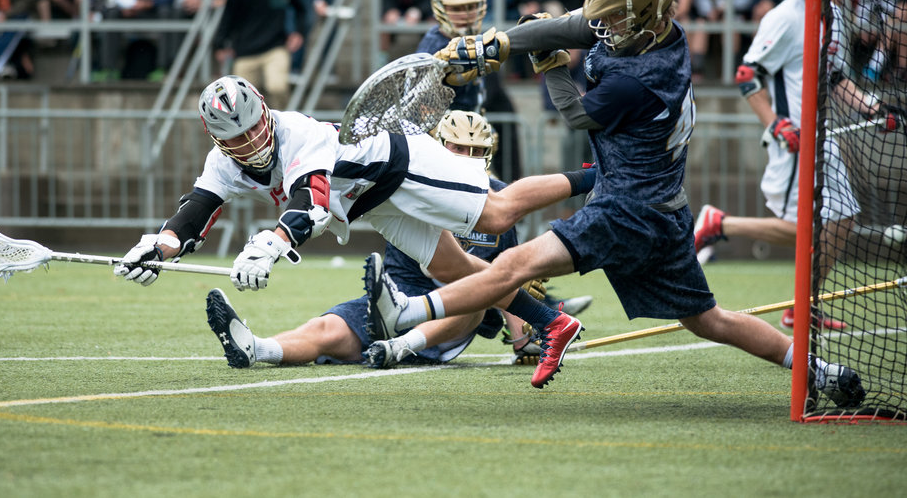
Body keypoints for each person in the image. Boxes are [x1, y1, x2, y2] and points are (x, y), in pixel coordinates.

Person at [363, 0, 869, 410]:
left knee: (512, 262)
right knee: (708, 320)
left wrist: (553, 70)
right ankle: (820, 371)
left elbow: (578, 115)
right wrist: (494, 44)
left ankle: (407, 313)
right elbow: (564, 27)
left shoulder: (643, 79)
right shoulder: (653, 28)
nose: (602, 25)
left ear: (642, 14)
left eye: (613, 17)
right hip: (665, 213)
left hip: (627, 209)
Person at [112, 75, 591, 353]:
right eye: (236, 139)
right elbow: (197, 209)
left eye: (255, 128)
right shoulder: (223, 163)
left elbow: (313, 201)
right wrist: (159, 247)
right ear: (217, 139)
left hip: (396, 164)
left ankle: (602, 176)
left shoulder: (297, 133)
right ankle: (552, 321)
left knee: (497, 212)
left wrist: (270, 245)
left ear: (264, 110)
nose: (251, 143)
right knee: (454, 269)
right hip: (368, 202)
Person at [204, 111, 582, 369]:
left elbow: (500, 278)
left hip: (453, 316)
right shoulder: (414, 188)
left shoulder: (494, 198)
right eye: (457, 148)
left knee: (474, 294)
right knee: (326, 330)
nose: (466, 157)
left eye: (477, 151)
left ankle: (401, 344)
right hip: (395, 293)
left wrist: (524, 338)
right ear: (438, 150)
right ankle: (257, 348)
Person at [694, 0, 904, 329]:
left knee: (842, 222)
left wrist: (874, 107)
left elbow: (836, 77)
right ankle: (718, 224)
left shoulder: (835, 15)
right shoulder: (785, 17)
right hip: (794, 141)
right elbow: (746, 76)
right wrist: (776, 124)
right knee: (809, 228)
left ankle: (801, 306)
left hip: (823, 138)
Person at [213, 0, 306, 106]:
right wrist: (220, 44)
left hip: (276, 46)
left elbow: (300, 8)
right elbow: (229, 15)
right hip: (245, 49)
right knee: (242, 101)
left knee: (277, 87)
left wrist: (298, 32)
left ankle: (284, 127)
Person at [417, 0, 487, 113]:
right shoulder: (433, 47)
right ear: (440, 7)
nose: (465, 15)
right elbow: (422, 107)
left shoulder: (478, 39)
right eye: (456, 8)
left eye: (471, 7)